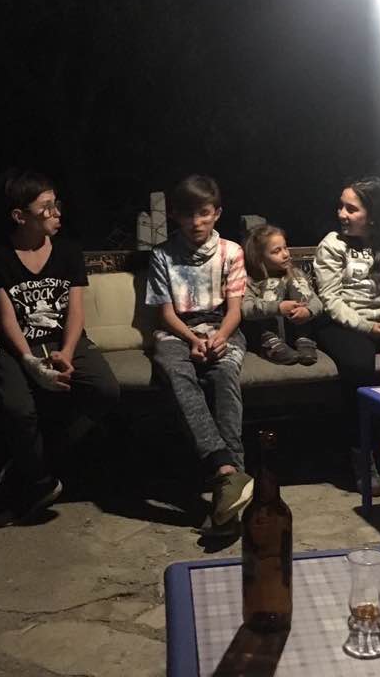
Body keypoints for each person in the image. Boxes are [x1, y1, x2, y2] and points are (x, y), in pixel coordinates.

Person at [0, 170, 119, 526]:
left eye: (57, 205)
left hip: (63, 339)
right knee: (18, 408)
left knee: (105, 389)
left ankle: (32, 464)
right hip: (15, 345)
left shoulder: (68, 250)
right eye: (46, 207)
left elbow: (76, 311)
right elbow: (6, 317)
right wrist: (28, 361)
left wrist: (67, 352)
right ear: (19, 216)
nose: (56, 213)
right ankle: (38, 482)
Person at [146, 175, 252, 534]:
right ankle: (226, 469)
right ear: (175, 215)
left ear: (217, 213)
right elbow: (165, 314)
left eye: (204, 213)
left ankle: (228, 496)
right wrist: (192, 338)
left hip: (222, 326)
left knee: (224, 375)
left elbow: (235, 310)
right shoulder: (162, 254)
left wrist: (219, 337)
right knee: (177, 373)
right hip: (178, 330)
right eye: (188, 214)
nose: (196, 222)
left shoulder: (231, 252)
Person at [314, 176, 380, 495]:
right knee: (357, 366)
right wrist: (364, 326)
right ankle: (361, 450)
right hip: (345, 324)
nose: (342, 214)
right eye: (341, 207)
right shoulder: (332, 244)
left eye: (351, 209)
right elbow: (330, 298)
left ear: (373, 215)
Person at [241, 224, 322, 366]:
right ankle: (271, 342)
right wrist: (277, 307)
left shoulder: (295, 273)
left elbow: (316, 302)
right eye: (276, 251)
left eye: (285, 247)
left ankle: (304, 338)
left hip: (294, 328)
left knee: (295, 281)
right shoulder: (251, 281)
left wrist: (308, 311)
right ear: (259, 258)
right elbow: (246, 309)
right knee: (273, 284)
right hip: (267, 332)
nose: (285, 254)